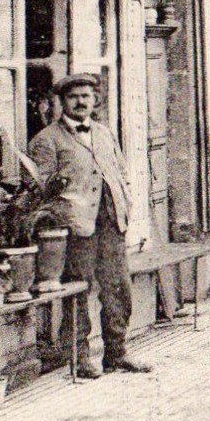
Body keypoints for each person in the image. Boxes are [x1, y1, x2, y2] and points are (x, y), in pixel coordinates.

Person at [28, 74, 149, 376]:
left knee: (118, 289)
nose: (81, 102)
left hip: (111, 223)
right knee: (78, 292)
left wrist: (125, 204)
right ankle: (79, 357)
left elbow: (120, 170)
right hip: (77, 228)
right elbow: (39, 188)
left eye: (86, 96)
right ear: (61, 102)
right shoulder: (46, 140)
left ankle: (117, 353)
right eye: (73, 97)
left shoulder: (104, 133)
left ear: (95, 100)